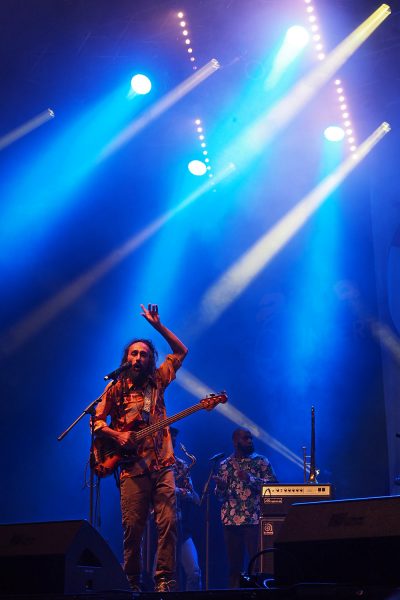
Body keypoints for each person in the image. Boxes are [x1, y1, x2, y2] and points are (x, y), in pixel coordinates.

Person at [92, 304, 188, 593]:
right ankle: (132, 581)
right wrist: (116, 434)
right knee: (132, 530)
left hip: (162, 465)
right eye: (133, 353)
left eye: (143, 354)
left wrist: (157, 326)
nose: (137, 358)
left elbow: (181, 352)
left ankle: (163, 580)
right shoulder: (115, 388)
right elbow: (96, 422)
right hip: (131, 468)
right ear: (126, 358)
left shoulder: (157, 382)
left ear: (150, 359)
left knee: (168, 523)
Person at [214, 427, 277, 588]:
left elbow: (273, 487)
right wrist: (220, 487)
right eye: (245, 438)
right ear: (236, 442)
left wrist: (250, 479)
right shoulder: (224, 465)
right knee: (234, 567)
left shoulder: (261, 462)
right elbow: (220, 497)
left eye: (251, 438)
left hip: (254, 520)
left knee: (257, 566)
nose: (250, 441)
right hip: (231, 522)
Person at [170, 426, 202, 591]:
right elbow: (160, 492)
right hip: (161, 528)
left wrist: (181, 491)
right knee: (162, 576)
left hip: (182, 527)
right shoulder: (153, 464)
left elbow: (194, 497)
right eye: (170, 437)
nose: (173, 441)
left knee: (194, 573)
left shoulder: (181, 464)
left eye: (174, 438)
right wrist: (179, 491)